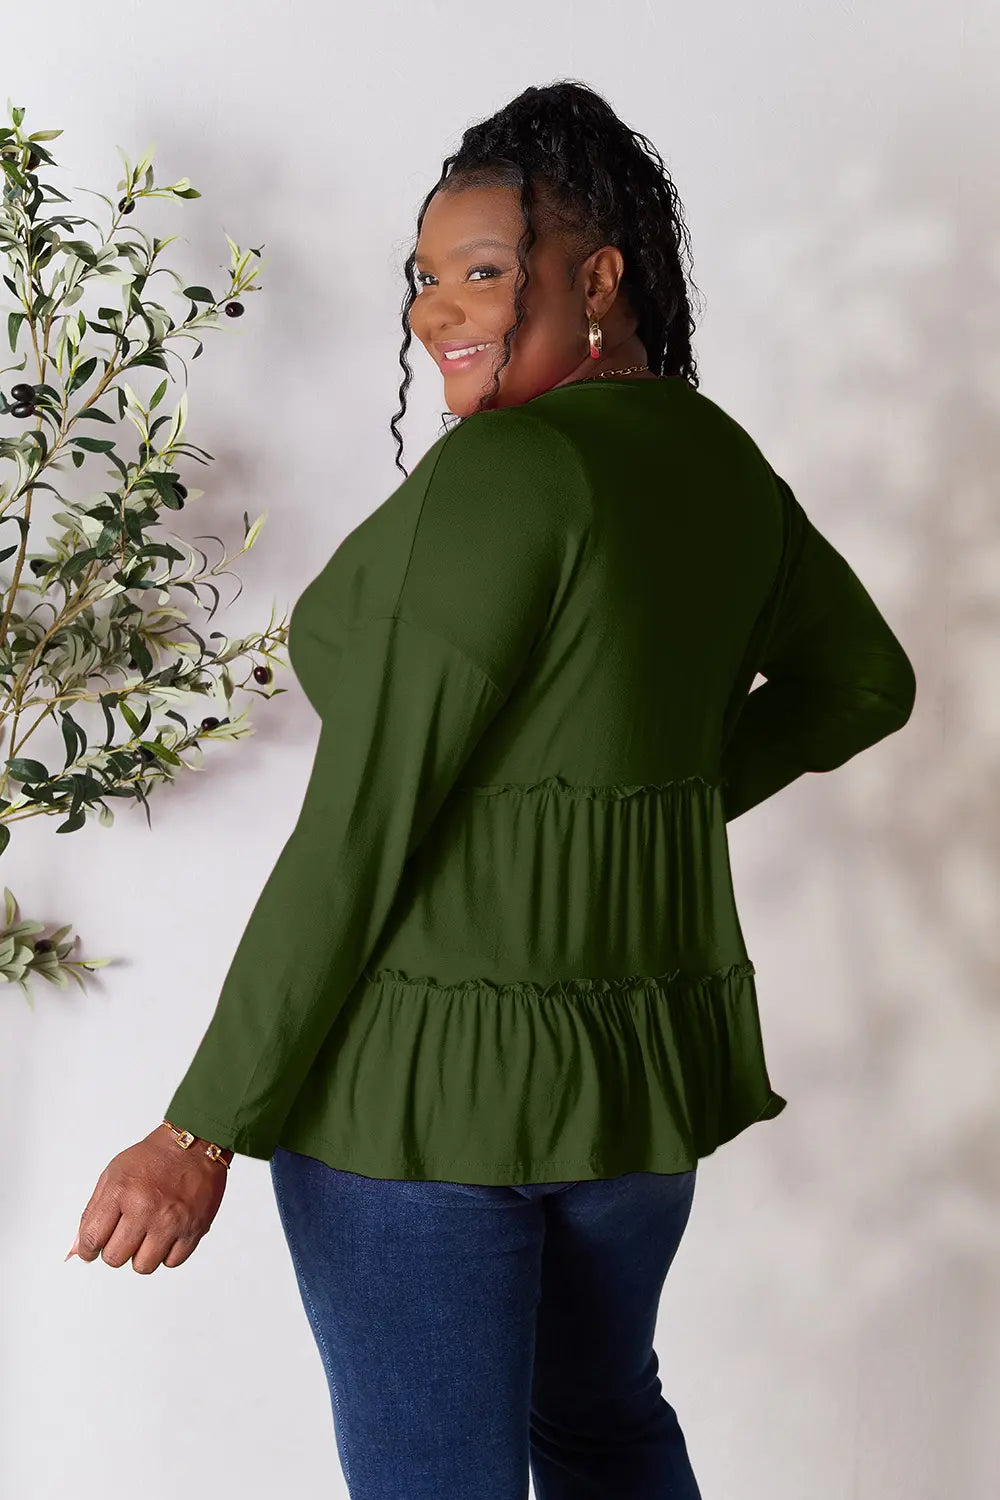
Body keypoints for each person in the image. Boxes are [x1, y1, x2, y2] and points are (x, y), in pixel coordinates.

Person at [65, 81, 917, 1500]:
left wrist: (196, 1130)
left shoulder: (512, 469)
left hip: (418, 1102)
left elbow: (360, 830)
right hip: (629, 1096)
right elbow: (863, 684)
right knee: (606, 1432)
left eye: (482, 272)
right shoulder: (711, 456)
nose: (438, 313)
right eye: (424, 279)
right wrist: (646, 810)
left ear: (599, 279)